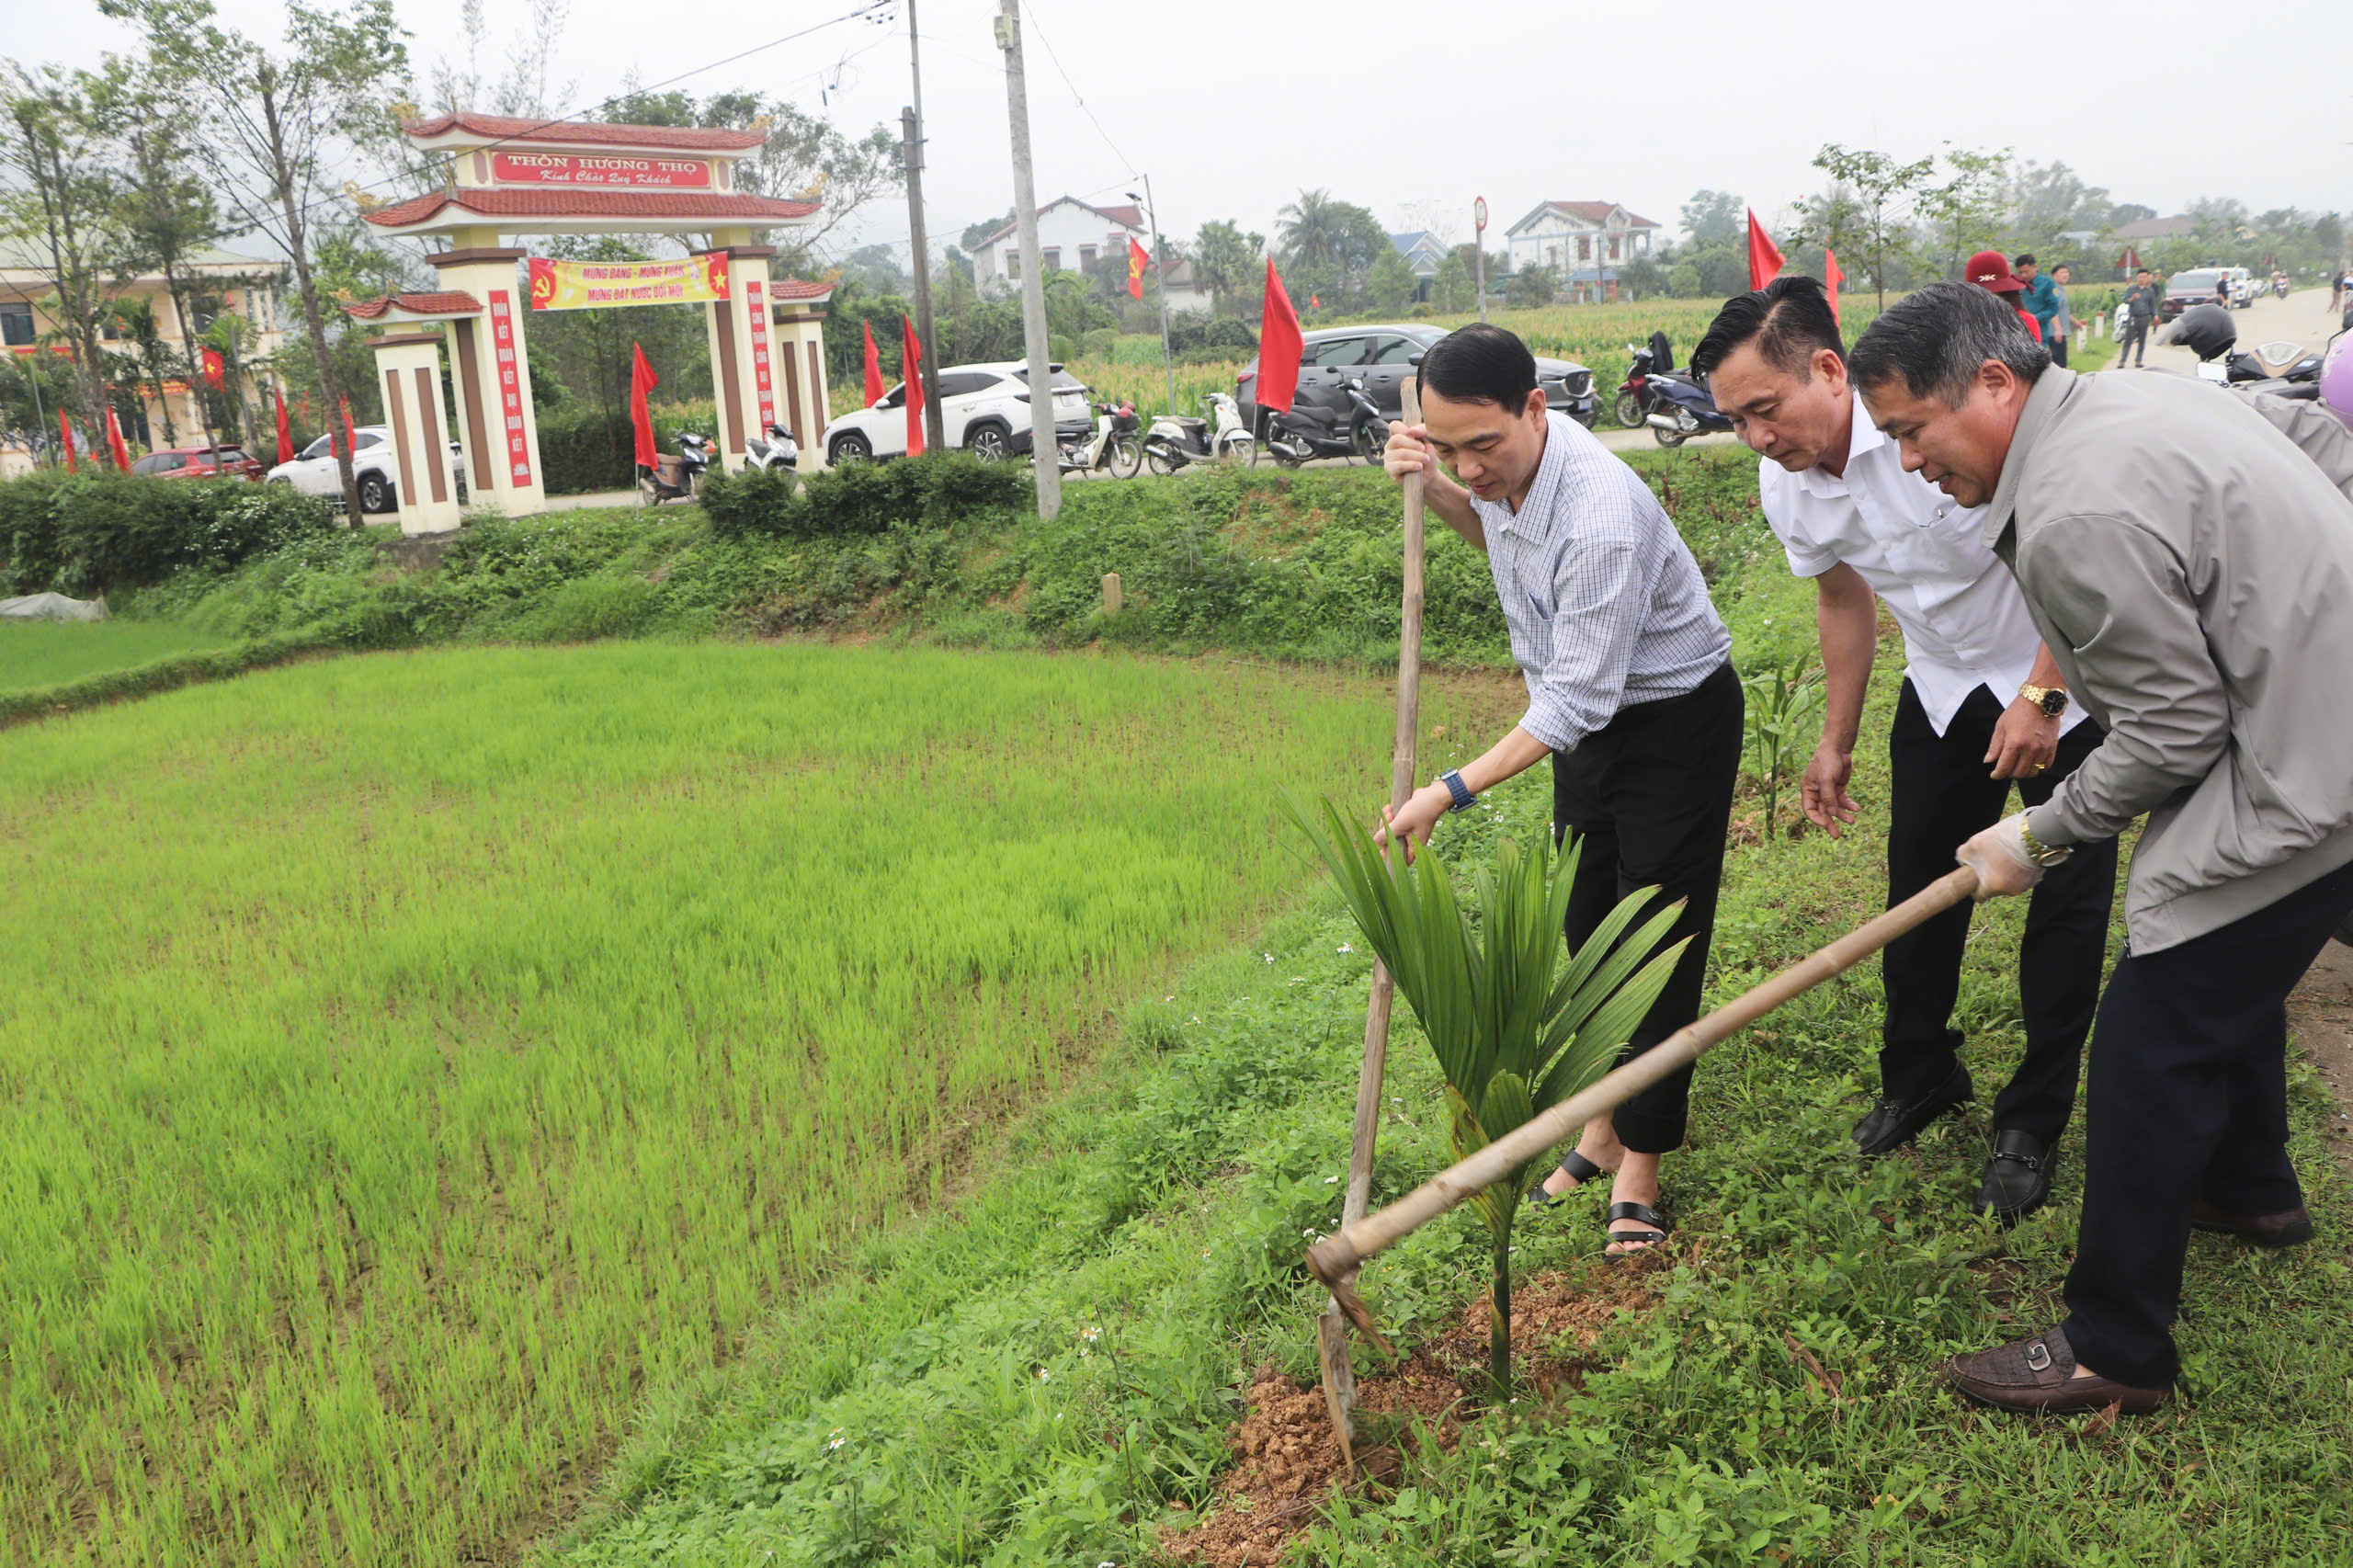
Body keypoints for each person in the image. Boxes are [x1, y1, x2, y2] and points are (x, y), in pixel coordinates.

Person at [1850, 281, 2353, 1415]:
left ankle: (2116, 1342)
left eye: (1911, 432)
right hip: (2313, 718)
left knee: (2149, 1033)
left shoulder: (2072, 509)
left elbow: (2176, 726)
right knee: (2220, 969)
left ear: (1992, 382)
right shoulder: (2132, 396)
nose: (1910, 463)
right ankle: (2252, 1190)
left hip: (2304, 764)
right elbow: (2312, 434)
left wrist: (2042, 832)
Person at [1691, 275, 2116, 1223]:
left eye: (1765, 408)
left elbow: (2065, 551)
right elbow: (1843, 597)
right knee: (1918, 893)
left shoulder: (1934, 427)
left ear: (1829, 370)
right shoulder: (1783, 482)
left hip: (2057, 686)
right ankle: (1921, 1073)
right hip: (1937, 692)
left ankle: (2032, 1120)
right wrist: (1832, 740)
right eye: (1736, 421)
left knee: (2064, 908)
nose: (1757, 437)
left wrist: (2043, 693)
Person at [1379, 324, 1740, 1257]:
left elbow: (1577, 698)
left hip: (1668, 722)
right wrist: (1428, 483)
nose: (1467, 466)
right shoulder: (1500, 473)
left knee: (1651, 937)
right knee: (1589, 929)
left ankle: (1641, 1161)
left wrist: (1446, 790)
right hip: (1579, 722)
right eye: (1443, 443)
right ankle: (1600, 1120)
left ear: (1535, 409)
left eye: (1480, 445)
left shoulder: (1597, 512)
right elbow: (1489, 529)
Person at [1964, 251, 2041, 342]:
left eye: (1994, 292)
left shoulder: (2025, 320)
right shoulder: (1961, 322)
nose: (1987, 298)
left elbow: (2035, 355)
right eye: (1980, 294)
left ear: (2006, 292)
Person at [2043, 264, 2086, 369]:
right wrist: (2058, 329)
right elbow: (2053, 310)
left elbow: (2062, 310)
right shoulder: (2055, 290)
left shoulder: (2060, 290)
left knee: (2060, 363)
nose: (2066, 275)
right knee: (2059, 365)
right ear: (2054, 276)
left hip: (2058, 333)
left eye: (2067, 272)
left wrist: (2074, 321)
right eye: (2062, 272)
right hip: (2055, 334)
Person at [2117, 268, 2159, 368]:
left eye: (2144, 277)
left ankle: (2138, 361)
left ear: (2147, 278)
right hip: (2133, 317)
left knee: (2142, 340)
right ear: (2137, 277)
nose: (2142, 279)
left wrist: (2155, 315)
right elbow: (2125, 300)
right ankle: (2122, 361)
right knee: (2128, 339)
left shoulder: (2150, 291)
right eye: (2140, 277)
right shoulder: (2131, 289)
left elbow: (2153, 305)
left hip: (2144, 318)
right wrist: (2132, 298)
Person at [2014, 255, 2058, 344]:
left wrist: (2034, 318)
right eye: (2020, 272)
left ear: (2035, 267)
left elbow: (2053, 309)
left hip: (2039, 334)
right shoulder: (2016, 283)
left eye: (2026, 271)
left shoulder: (2048, 283)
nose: (2023, 275)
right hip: (2018, 334)